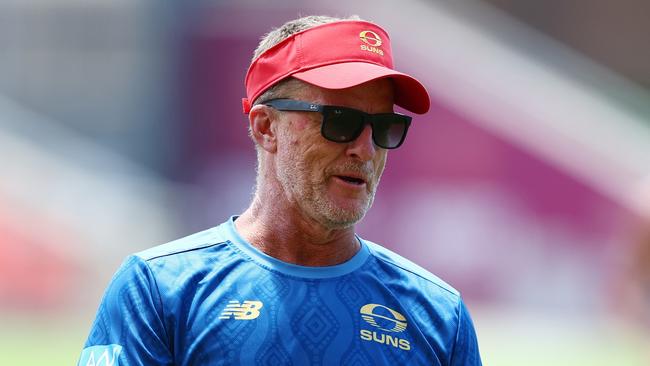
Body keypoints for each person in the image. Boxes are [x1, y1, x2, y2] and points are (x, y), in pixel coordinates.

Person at [78, 15, 482, 366]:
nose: (365, 148)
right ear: (266, 127)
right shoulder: (159, 290)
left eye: (383, 128)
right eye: (340, 120)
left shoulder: (438, 315)